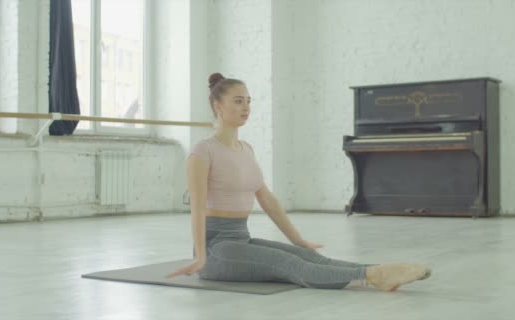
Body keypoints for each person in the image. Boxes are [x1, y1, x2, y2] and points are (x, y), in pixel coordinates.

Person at [166, 73, 431, 291]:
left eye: (248, 101)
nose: (246, 107)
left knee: (308, 256)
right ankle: (374, 276)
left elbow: (267, 199)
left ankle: (377, 269)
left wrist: (299, 240)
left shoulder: (246, 148)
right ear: (218, 107)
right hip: (215, 250)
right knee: (289, 264)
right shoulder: (203, 151)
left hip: (240, 239)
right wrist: (201, 256)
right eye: (238, 101)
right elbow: (197, 208)